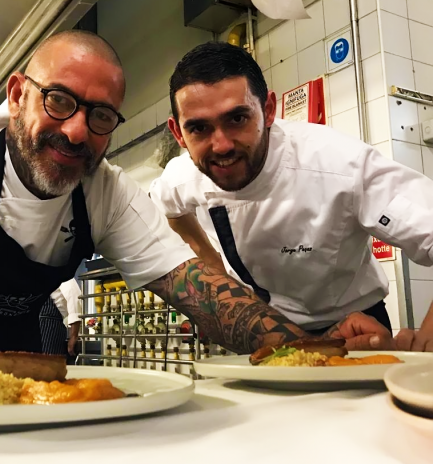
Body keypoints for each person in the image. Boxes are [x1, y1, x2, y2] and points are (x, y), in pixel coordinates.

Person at [0, 31, 393, 390]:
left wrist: (319, 352)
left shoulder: (104, 193)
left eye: (101, 116)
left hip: (12, 389)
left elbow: (204, 296)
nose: (76, 131)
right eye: (59, 100)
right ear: (17, 95)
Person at [150, 41, 433, 349]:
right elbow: (170, 209)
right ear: (178, 133)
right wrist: (213, 266)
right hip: (259, 328)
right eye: (199, 128)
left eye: (237, 119)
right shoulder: (181, 176)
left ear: (268, 110)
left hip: (352, 327)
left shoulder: (340, 163)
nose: (222, 146)